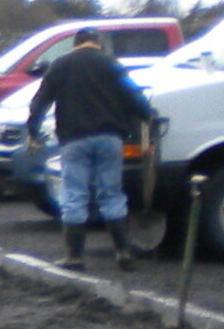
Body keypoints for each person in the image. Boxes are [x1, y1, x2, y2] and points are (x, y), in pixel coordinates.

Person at [25, 26, 155, 271]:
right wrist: (148, 115)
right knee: (112, 194)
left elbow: (39, 102)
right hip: (109, 138)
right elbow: (133, 95)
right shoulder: (111, 64)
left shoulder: (60, 65)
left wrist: (33, 131)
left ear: (76, 44)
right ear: (98, 43)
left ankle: (74, 257)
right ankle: (123, 253)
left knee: (74, 195)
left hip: (74, 140)